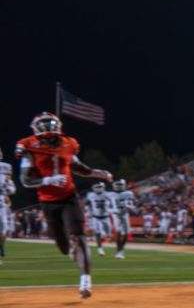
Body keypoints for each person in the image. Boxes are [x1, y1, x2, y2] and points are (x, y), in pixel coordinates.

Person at [15, 112, 112, 298]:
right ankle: (72, 253)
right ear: (36, 127)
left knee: (79, 236)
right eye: (43, 124)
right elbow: (26, 180)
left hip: (69, 197)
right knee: (63, 247)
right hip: (48, 202)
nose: (47, 127)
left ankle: (85, 281)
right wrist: (49, 179)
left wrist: (98, 173)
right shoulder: (28, 146)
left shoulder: (68, 143)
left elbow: (79, 168)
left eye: (50, 123)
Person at [109, 179, 136, 258]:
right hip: (116, 215)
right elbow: (107, 207)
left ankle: (121, 249)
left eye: (120, 185)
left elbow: (132, 205)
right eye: (117, 185)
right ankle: (118, 251)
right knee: (118, 232)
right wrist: (113, 210)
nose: (119, 187)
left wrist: (128, 206)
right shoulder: (111, 194)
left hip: (125, 214)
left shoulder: (128, 193)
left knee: (126, 233)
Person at [84, 182, 112, 256]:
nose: (99, 189)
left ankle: (108, 235)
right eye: (97, 187)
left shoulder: (107, 194)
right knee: (97, 232)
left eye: (100, 187)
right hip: (95, 217)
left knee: (108, 231)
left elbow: (113, 201)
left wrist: (111, 208)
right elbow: (87, 203)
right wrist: (87, 209)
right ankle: (100, 249)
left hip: (106, 217)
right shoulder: (91, 195)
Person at [0, 149, 15, 263]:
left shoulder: (5, 169)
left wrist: (6, 189)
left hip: (1, 204)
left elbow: (12, 189)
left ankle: (1, 246)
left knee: (3, 230)